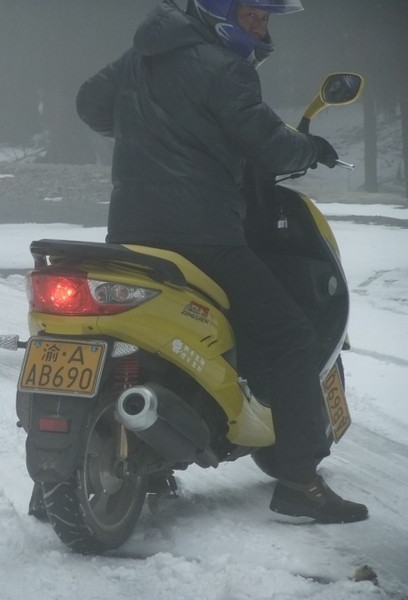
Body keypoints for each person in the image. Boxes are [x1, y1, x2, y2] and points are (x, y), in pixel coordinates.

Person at [76, 0, 368, 523]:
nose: (262, 26)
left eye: (266, 17)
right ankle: (300, 481)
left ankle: (140, 450)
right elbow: (268, 144)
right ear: (218, 12)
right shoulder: (222, 66)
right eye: (254, 14)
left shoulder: (140, 56)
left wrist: (153, 134)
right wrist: (311, 148)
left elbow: (91, 105)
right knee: (290, 336)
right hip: (203, 235)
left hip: (131, 233)